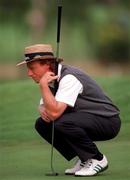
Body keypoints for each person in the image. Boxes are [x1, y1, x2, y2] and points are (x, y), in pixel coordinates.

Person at [17, 44, 121, 177]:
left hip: (108, 121)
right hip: (88, 119)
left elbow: (54, 113)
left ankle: (97, 159)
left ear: (48, 64)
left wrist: (43, 86)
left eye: (32, 68)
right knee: (42, 125)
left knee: (62, 122)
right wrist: (42, 106)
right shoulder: (52, 79)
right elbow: (45, 107)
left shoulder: (69, 77)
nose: (29, 73)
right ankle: (84, 158)